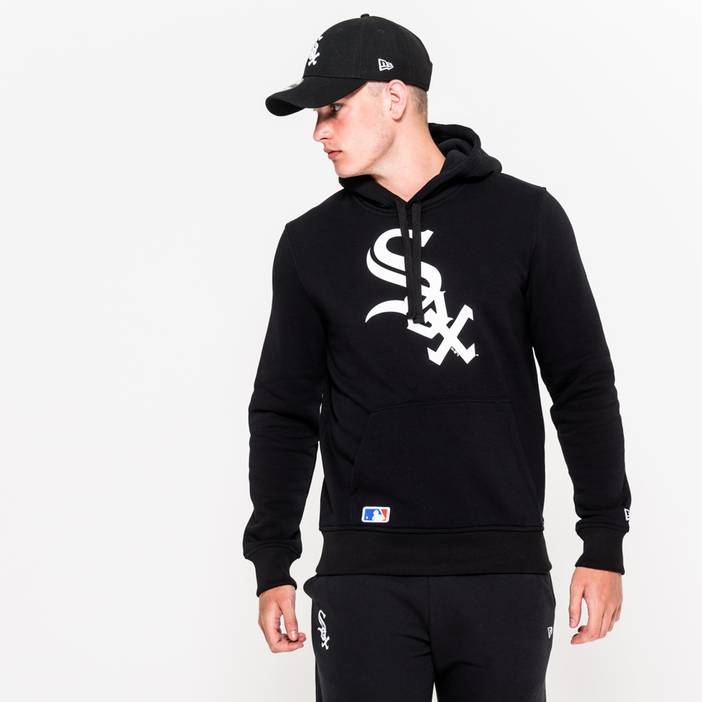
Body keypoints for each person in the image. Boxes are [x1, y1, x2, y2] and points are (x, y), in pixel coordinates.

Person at [243, 13, 631, 702]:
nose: (318, 132)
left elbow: (582, 387)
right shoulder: (310, 244)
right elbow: (283, 411)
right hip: (363, 579)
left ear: (395, 98)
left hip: (502, 573)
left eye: (333, 108)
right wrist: (273, 562)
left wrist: (603, 542)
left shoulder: (526, 219)